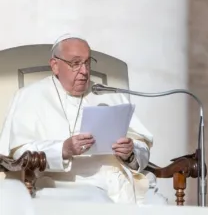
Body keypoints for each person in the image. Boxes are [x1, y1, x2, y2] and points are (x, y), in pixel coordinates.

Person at [0, 33, 167, 205]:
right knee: (99, 203)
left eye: (87, 62)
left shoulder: (108, 94)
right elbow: (20, 153)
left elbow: (142, 144)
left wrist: (131, 154)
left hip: (122, 184)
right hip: (67, 186)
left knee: (160, 205)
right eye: (75, 63)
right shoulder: (30, 96)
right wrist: (63, 149)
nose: (85, 71)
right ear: (55, 66)